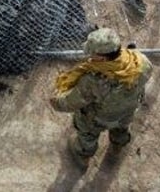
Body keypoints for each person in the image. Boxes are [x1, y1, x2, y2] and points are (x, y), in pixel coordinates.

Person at [50, 28, 153, 171]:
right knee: (121, 129)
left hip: (99, 119)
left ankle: (83, 156)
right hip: (127, 111)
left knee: (87, 132)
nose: (89, 56)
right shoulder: (140, 61)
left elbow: (69, 103)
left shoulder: (92, 80)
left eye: (93, 53)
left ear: (103, 58)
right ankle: (116, 148)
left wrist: (56, 101)